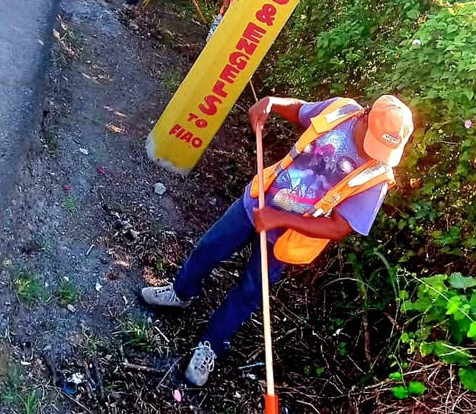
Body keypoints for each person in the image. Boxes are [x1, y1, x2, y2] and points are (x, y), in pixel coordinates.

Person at [140, 94, 414, 386]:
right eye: (374, 142)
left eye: (385, 150)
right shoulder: (341, 110)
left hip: (288, 237)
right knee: (209, 249)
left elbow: (339, 228)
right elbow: (301, 111)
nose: (376, 154)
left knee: (250, 290)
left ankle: (211, 345)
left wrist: (280, 220)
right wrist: (271, 102)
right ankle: (180, 292)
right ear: (365, 117)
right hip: (259, 200)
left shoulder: (376, 177)